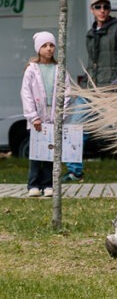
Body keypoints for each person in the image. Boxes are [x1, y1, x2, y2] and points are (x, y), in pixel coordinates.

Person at [68, 0, 117, 182]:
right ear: (92, 10)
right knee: (74, 127)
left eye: (105, 7)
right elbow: (93, 63)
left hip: (112, 91)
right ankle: (75, 172)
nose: (102, 10)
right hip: (91, 90)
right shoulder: (90, 33)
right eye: (98, 7)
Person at [21, 31, 70, 197]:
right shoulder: (31, 70)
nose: (49, 49)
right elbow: (26, 94)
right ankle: (33, 184)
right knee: (36, 153)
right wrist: (33, 116)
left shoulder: (60, 69)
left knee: (51, 151)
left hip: (54, 116)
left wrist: (60, 115)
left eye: (51, 45)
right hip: (37, 118)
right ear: (38, 48)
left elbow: (68, 91)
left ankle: (48, 184)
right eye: (44, 45)